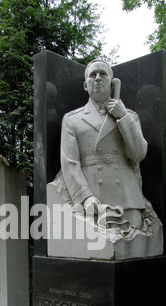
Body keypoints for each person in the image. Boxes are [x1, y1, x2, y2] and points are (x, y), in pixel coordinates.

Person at [60, 59, 148, 230]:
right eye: (93, 75)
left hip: (127, 197)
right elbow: (70, 163)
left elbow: (138, 154)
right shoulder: (72, 119)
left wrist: (122, 117)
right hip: (95, 198)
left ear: (112, 83)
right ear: (86, 85)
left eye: (103, 74)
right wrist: (85, 197)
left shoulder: (130, 116)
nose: (98, 78)